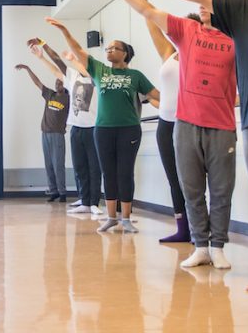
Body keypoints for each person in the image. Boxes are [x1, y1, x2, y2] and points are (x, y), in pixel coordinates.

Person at [130, 0, 248, 290]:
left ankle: (219, 246)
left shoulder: (237, 28)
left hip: (238, 123)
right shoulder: (247, 12)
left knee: (238, 192)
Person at [112, 0, 237, 269]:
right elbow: (150, 14)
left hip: (221, 126)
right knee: (190, 189)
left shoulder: (236, 38)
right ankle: (200, 246)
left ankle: (218, 246)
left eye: (211, 0)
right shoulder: (188, 30)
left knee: (221, 190)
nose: (204, 5)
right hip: (186, 124)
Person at [46, 17, 159, 233]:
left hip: (129, 129)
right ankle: (111, 217)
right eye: (107, 48)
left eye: (115, 48)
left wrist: (181, 104)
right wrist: (64, 30)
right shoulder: (100, 70)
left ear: (125, 53)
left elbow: (156, 96)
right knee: (108, 173)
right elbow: (78, 50)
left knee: (125, 173)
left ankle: (125, 218)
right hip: (103, 130)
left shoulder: (135, 76)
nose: (109, 50)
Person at [135, 0, 190, 243]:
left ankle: (202, 228)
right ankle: (183, 228)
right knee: (174, 178)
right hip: (166, 125)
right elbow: (151, 21)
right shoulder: (169, 54)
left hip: (191, 124)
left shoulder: (203, 58)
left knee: (194, 180)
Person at [26, 37, 102, 215]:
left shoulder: (95, 78)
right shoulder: (72, 77)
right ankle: (84, 201)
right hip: (76, 128)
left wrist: (74, 59)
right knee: (80, 166)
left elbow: (66, 62)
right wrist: (41, 53)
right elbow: (56, 65)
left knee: (94, 166)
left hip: (93, 128)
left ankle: (94, 202)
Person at [15, 63, 69, 202]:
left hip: (57, 134)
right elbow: (37, 82)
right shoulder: (50, 94)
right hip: (45, 133)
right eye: (57, 82)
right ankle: (54, 191)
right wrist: (28, 68)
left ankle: (62, 192)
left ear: (65, 85)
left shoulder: (67, 99)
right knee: (49, 164)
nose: (58, 84)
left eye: (61, 82)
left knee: (58, 165)